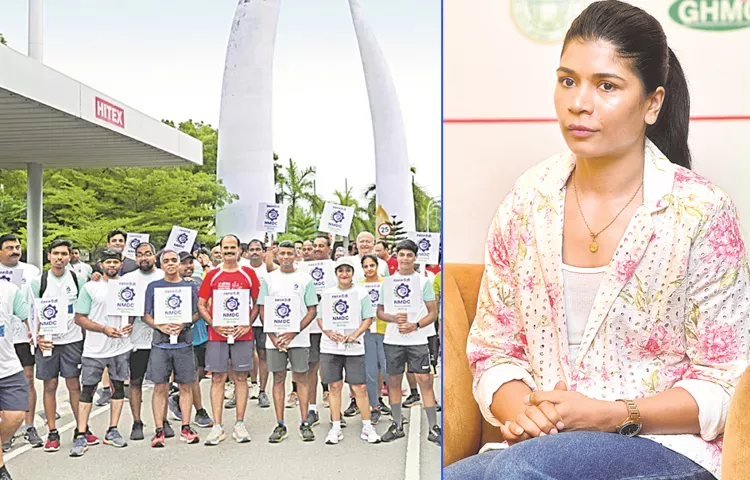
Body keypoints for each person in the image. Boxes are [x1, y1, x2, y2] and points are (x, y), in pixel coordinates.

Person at [446, 2, 749, 479]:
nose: (578, 102)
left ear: (652, 103)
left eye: (606, 85)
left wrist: (614, 414)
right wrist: (527, 411)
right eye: (567, 80)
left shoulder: (700, 212)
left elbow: (727, 382)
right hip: (540, 450)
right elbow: (494, 351)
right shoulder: (526, 201)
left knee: (518, 473)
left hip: (668, 454)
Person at [197, 234, 260, 446]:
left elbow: (257, 303)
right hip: (217, 335)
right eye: (226, 247)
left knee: (241, 377)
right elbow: (201, 304)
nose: (230, 251)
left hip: (243, 334)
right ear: (221, 250)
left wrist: (247, 325)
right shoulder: (212, 275)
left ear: (239, 250)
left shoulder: (249, 274)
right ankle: (217, 426)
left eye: (233, 247)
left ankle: (239, 424)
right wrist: (213, 324)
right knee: (217, 378)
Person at [377, 239, 441, 446]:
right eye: (401, 254)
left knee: (424, 380)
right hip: (393, 340)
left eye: (409, 255)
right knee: (394, 381)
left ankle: (433, 427)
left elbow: (433, 313)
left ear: (415, 258)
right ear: (396, 256)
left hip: (418, 340)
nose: (405, 259)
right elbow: (379, 312)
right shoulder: (387, 283)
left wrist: (415, 325)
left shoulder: (423, 282)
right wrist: (394, 319)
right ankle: (397, 425)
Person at [70, 248, 133, 457]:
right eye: (108, 262)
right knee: (87, 389)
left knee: (118, 388)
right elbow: (79, 318)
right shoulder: (90, 287)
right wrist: (103, 329)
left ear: (121, 263)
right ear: (100, 264)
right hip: (95, 349)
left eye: (116, 262)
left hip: (120, 347)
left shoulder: (127, 286)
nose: (112, 265)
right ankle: (81, 433)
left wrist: (130, 324)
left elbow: (132, 312)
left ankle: (112, 430)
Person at [30, 240, 89, 452]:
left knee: (74, 384)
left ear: (69, 256)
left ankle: (81, 428)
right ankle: (53, 432)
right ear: (48, 256)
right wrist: (37, 337)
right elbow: (32, 312)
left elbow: (84, 309)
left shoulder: (78, 278)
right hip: (48, 341)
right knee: (50, 385)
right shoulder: (39, 281)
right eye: (55, 253)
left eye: (64, 253)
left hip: (72, 340)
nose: (59, 257)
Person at [257, 241, 318, 443]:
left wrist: (293, 332)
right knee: (279, 379)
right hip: (274, 340)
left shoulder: (305, 279)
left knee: (301, 378)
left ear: (295, 255)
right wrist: (273, 336)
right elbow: (263, 308)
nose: (285, 256)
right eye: (281, 253)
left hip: (298, 339)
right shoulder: (268, 279)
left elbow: (312, 310)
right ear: (277, 255)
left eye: (289, 253)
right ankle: (280, 423)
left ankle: (304, 422)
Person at [319, 257, 381, 445]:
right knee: (334, 387)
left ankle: (367, 425)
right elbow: (321, 318)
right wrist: (330, 333)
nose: (344, 274)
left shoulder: (361, 293)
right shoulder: (328, 293)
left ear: (353, 273)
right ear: (336, 273)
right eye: (340, 270)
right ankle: (336, 426)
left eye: (347, 270)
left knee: (359, 387)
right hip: (331, 347)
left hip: (354, 346)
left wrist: (354, 335)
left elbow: (368, 318)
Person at [143, 250, 201, 447]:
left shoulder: (190, 287)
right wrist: (159, 325)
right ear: (160, 265)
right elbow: (145, 314)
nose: (170, 264)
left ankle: (186, 427)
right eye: (166, 261)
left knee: (186, 385)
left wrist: (184, 323)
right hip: (160, 343)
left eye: (173, 260)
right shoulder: (153, 287)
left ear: (179, 264)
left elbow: (197, 313)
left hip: (184, 343)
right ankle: (159, 430)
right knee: (160, 387)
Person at [120, 242, 166, 441]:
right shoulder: (127, 279)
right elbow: (120, 304)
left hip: (161, 336)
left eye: (148, 254)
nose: (144, 257)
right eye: (140, 255)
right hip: (136, 339)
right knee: (135, 381)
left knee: (162, 382)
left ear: (155, 256)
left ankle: (162, 421)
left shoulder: (164, 276)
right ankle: (137, 421)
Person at [0, 234, 42, 450]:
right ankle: (5, 432)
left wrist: (35, 330)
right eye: (9, 247)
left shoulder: (32, 271)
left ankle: (29, 425)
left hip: (24, 337)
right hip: (4, 337)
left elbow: (37, 302)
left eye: (17, 247)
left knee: (27, 379)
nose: (15, 251)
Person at [359, 253, 391, 425]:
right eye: (365, 266)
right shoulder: (358, 287)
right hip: (367, 333)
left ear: (377, 266)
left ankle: (395, 408)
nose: (369, 269)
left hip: (387, 332)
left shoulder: (387, 283)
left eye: (372, 265)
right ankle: (374, 407)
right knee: (370, 372)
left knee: (388, 371)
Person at [0, 289, 29, 479]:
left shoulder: (9, 290)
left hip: (8, 366)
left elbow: (29, 316)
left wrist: (39, 334)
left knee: (16, 416)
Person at [246, 239, 273, 409]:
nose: (254, 252)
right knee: (245, 355)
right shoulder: (242, 268)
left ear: (263, 252)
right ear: (247, 252)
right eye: (251, 249)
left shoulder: (270, 270)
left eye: (258, 249)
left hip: (264, 319)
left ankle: (263, 391)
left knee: (263, 355)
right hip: (245, 318)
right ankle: (249, 385)